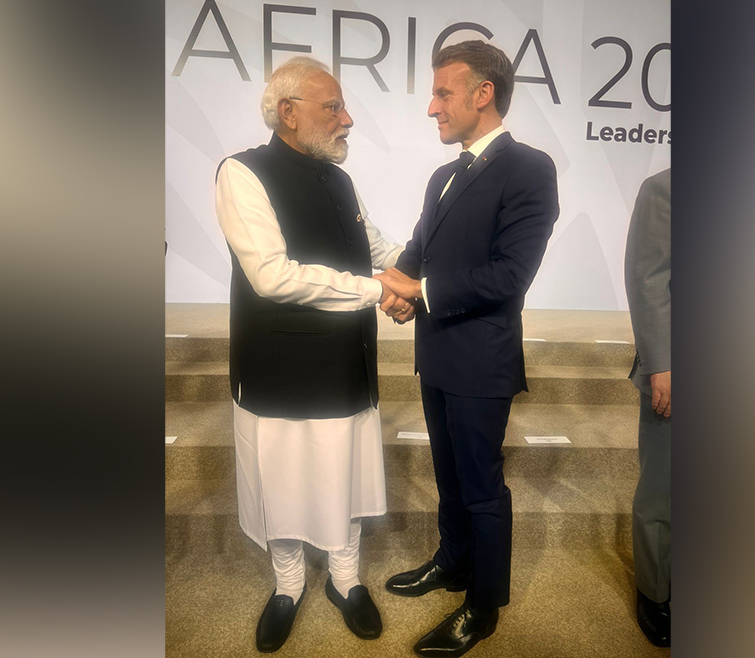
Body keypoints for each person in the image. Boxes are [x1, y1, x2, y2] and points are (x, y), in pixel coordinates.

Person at [212, 55, 414, 653]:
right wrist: (380, 290)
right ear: (288, 112)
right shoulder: (241, 173)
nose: (347, 119)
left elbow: (376, 244)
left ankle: (347, 582)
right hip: (277, 368)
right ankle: (288, 585)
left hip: (345, 362)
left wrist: (421, 276)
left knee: (342, 472)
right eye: (334, 108)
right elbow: (272, 277)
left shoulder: (340, 178)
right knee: (282, 480)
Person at [374, 40, 560, 658]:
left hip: (481, 360)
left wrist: (418, 291)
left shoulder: (530, 168)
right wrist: (396, 287)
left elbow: (510, 275)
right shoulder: (443, 174)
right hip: (437, 354)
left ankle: (482, 607)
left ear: (484, 94)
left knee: (482, 487)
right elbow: (418, 250)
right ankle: (451, 564)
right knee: (450, 480)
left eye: (442, 92)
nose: (432, 107)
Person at [625, 168, 672, 647]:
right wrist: (662, 362)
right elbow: (648, 278)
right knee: (663, 490)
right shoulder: (664, 188)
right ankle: (654, 593)